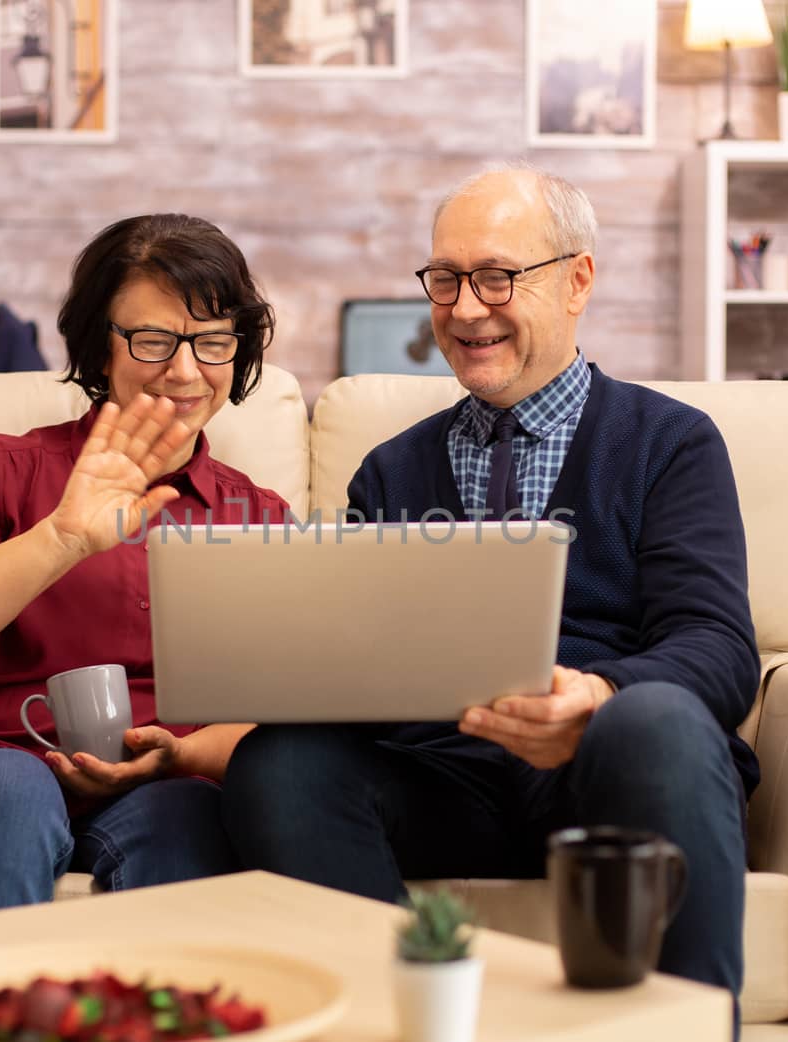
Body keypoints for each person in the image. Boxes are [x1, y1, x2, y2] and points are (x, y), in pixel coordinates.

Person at [220, 166, 759, 1024]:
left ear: (577, 280)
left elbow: (720, 649)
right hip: (445, 779)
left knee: (653, 716)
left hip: (607, 769)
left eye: (497, 276)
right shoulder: (390, 471)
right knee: (279, 765)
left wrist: (597, 695)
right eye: (445, 279)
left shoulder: (671, 444)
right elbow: (356, 672)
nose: (467, 308)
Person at [0, 214, 286, 915]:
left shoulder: (258, 516)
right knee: (12, 790)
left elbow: (289, 714)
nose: (185, 371)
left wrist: (180, 756)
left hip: (161, 783)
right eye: (153, 340)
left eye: (212, 341)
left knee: (186, 818)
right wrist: (62, 536)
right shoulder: (11, 468)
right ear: (100, 348)